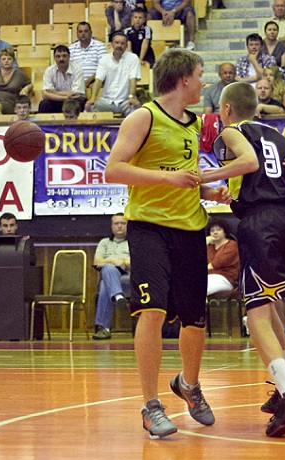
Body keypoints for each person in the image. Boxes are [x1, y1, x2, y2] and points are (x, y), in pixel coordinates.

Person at [104, 48, 231, 438]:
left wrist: (209, 191)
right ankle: (150, 404)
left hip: (190, 228)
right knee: (153, 311)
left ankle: (189, 384)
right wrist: (166, 177)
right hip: (149, 227)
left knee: (194, 319)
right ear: (183, 79)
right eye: (200, 74)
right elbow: (113, 170)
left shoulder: (195, 124)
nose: (204, 81)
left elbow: (184, 177)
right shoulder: (144, 117)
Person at [202, 81, 285, 437]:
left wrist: (206, 176)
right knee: (269, 306)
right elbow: (281, 183)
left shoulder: (232, 131)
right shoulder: (278, 137)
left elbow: (248, 162)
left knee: (255, 315)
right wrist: (232, 199)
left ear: (227, 109)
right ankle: (282, 388)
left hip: (261, 223)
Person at [92, 213, 131, 340]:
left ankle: (105, 329)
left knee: (105, 284)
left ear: (127, 225)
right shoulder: (104, 243)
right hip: (110, 276)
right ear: (112, 226)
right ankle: (118, 296)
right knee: (108, 270)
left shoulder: (134, 241)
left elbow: (137, 261)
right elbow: (97, 262)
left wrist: (123, 262)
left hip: (128, 278)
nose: (119, 226)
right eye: (116, 223)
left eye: (123, 223)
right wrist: (112, 260)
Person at [85, 31, 142, 116]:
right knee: (90, 107)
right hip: (106, 101)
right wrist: (93, 98)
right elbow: (98, 80)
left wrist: (131, 97)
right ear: (111, 44)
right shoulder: (104, 59)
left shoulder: (133, 58)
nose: (119, 45)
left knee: (136, 109)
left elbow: (133, 80)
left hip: (126, 101)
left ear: (126, 46)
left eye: (122, 43)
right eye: (117, 42)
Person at [38, 45, 87, 114]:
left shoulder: (77, 69)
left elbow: (77, 94)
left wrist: (54, 92)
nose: (61, 59)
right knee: (44, 104)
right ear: (54, 58)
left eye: (64, 56)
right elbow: (45, 95)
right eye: (58, 56)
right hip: (56, 101)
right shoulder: (49, 71)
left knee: (80, 103)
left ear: (69, 57)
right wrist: (66, 97)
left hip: (73, 101)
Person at [206, 217, 239, 295]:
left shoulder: (231, 245)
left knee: (199, 288)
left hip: (225, 279)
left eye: (218, 229)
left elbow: (216, 263)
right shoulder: (209, 247)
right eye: (212, 230)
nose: (215, 232)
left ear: (224, 232)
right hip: (208, 277)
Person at [68, 22, 107, 86]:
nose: (83, 33)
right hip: (76, 84)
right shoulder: (71, 49)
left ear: (91, 33)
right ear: (77, 34)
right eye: (80, 31)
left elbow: (103, 68)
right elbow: (69, 70)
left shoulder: (100, 46)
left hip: (95, 83)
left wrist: (88, 81)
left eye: (86, 31)